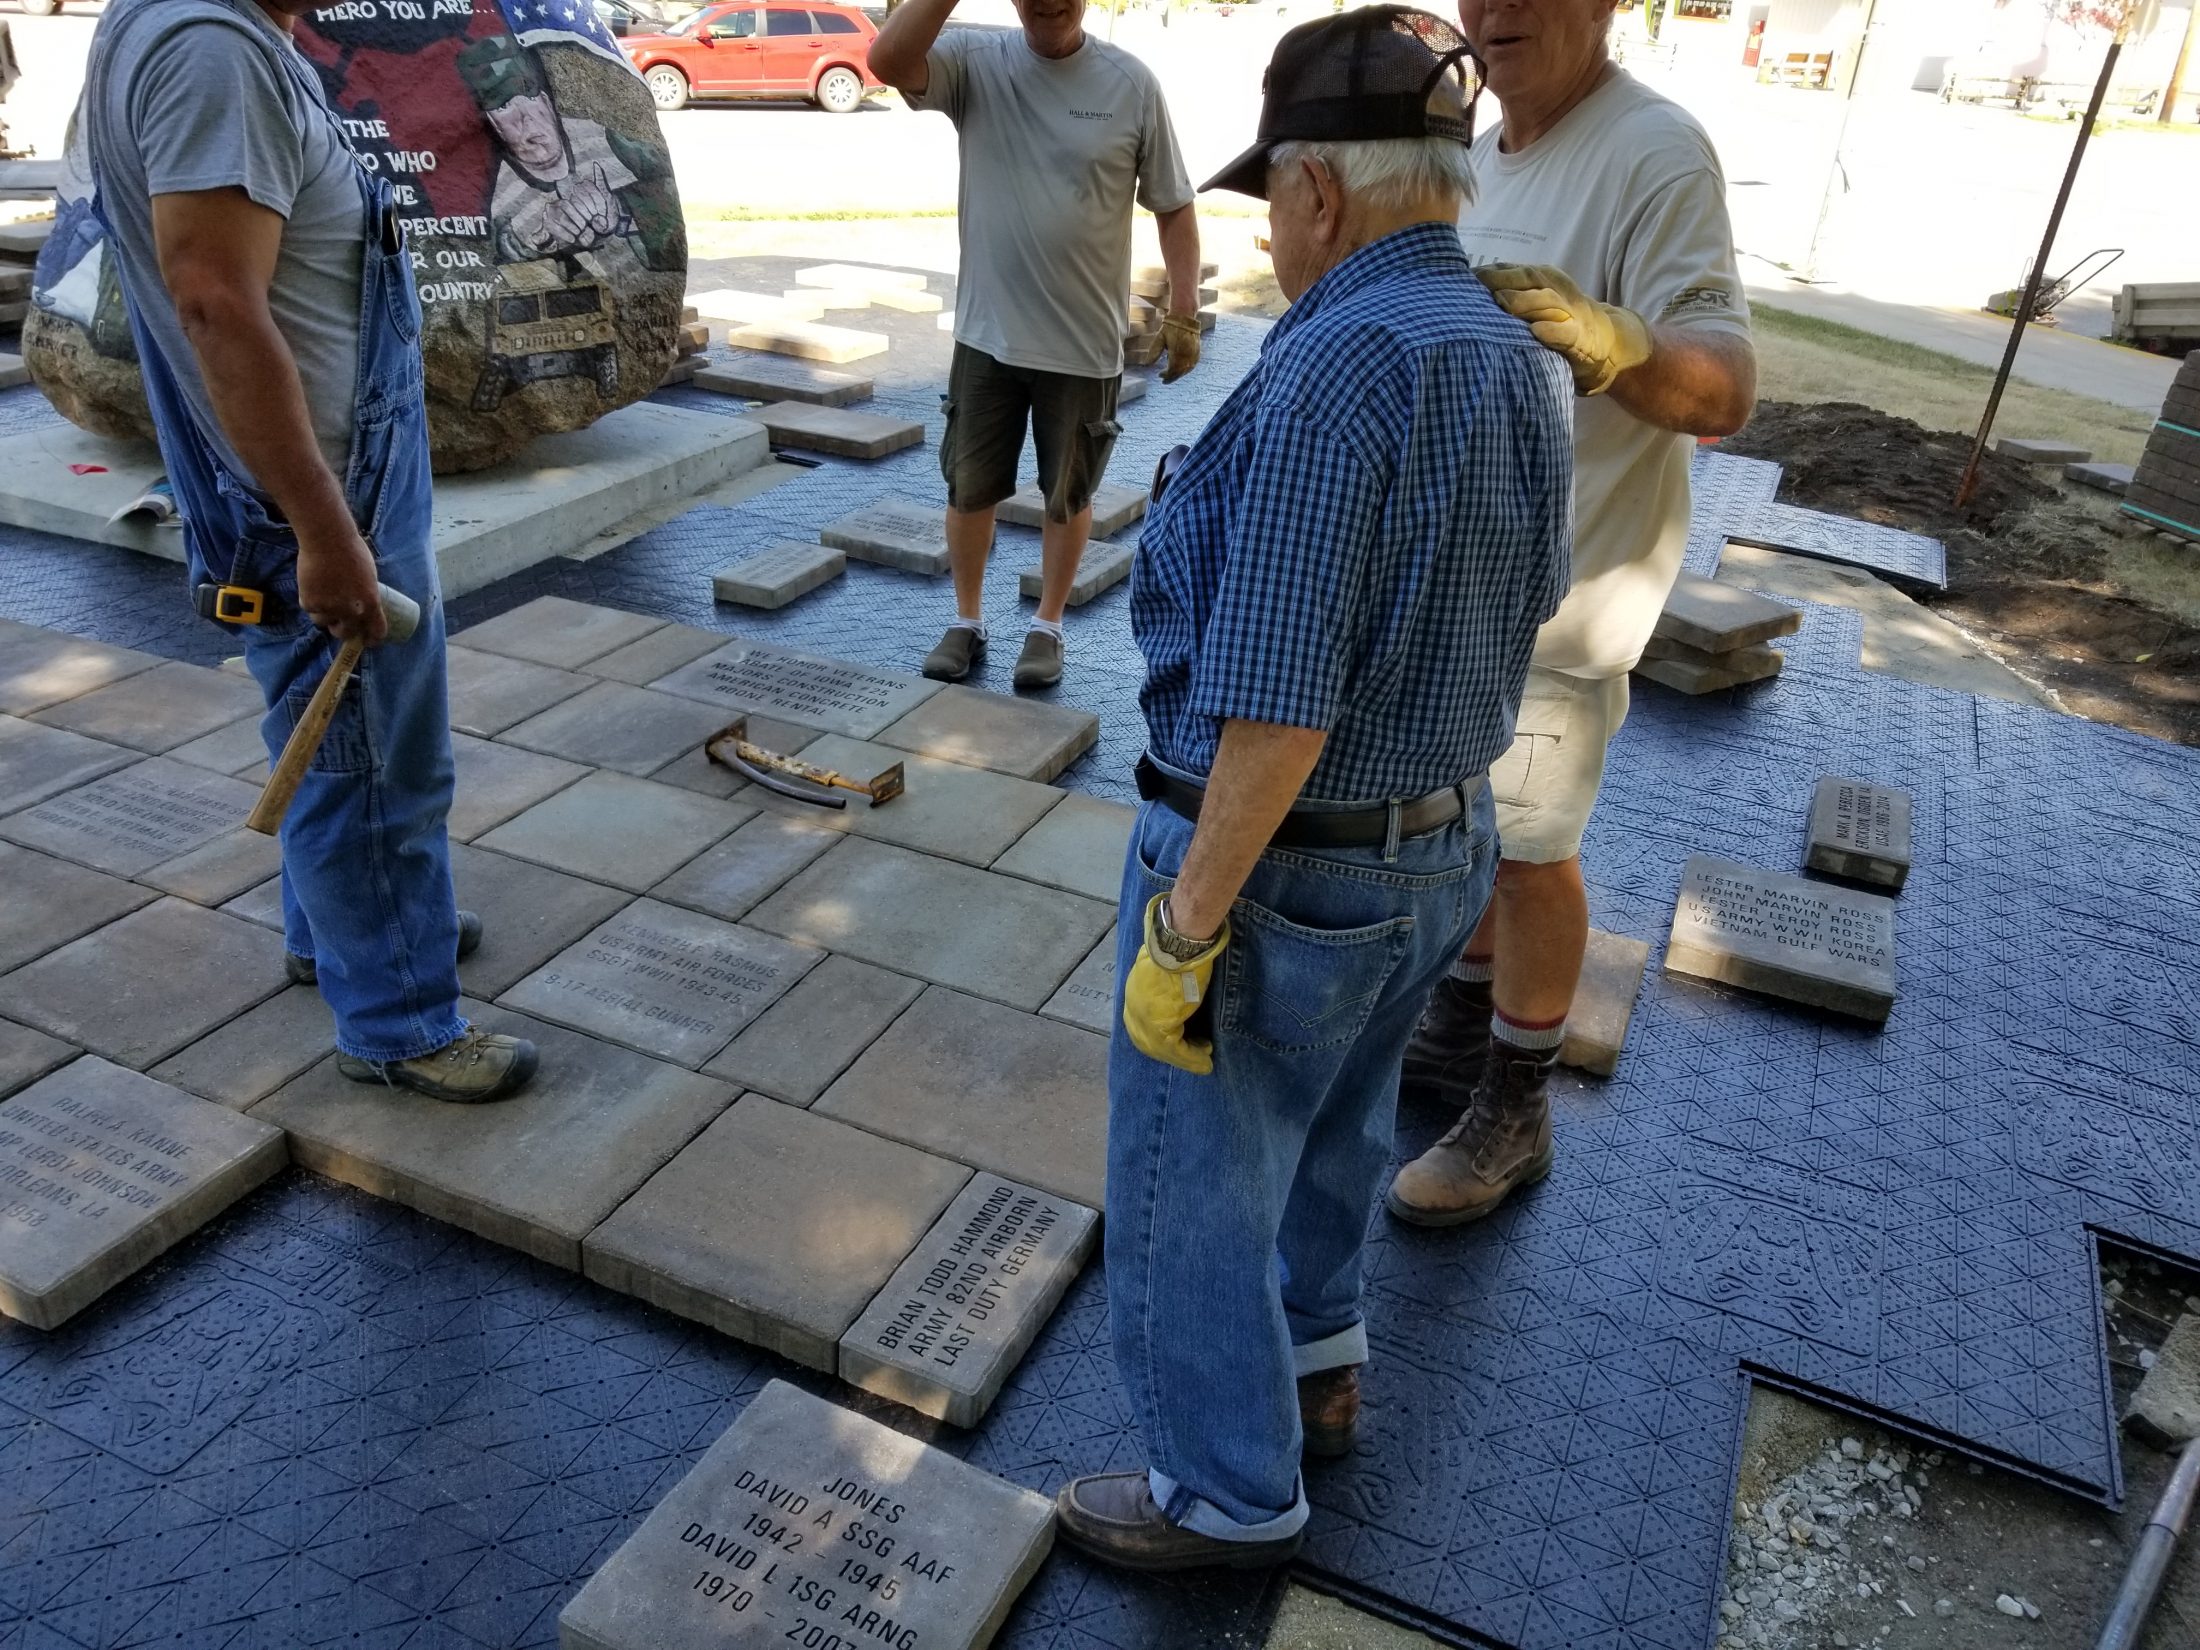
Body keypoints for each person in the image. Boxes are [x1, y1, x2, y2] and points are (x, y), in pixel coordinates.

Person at [1053, 8, 1573, 1571]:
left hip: (1283, 862)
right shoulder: (1506, 344)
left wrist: (1189, 927)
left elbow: (1272, 706)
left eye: (1271, 195)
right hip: (1437, 843)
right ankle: (1318, 1370)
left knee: (1191, 1179)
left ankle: (1222, 1490)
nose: (1269, 229)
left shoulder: (1341, 357)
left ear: (1322, 193)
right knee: (1340, 1129)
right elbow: (1527, 598)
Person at [80, 0, 538, 1103]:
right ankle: (398, 1025)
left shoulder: (189, 23)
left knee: (338, 743)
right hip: (325, 490)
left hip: (323, 473)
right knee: (376, 761)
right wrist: (325, 532)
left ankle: (349, 934)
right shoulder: (211, 53)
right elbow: (214, 302)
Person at [1386, 0, 1756, 1226]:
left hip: (1571, 582)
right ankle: (1460, 1013)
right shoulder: (1479, 148)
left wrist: (1614, 344)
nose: (1495, 14)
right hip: (1469, 570)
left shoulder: (1652, 150)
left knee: (1535, 844)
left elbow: (1725, 385)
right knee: (1471, 813)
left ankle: (1515, 1104)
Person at [868, 0, 1203, 692]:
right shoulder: (975, 62)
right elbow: (886, 62)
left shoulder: (1131, 83)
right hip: (986, 334)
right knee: (968, 488)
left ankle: (1047, 627)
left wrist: (1185, 309)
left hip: (1082, 344)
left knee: (1066, 494)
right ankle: (966, 621)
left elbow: (1174, 204)